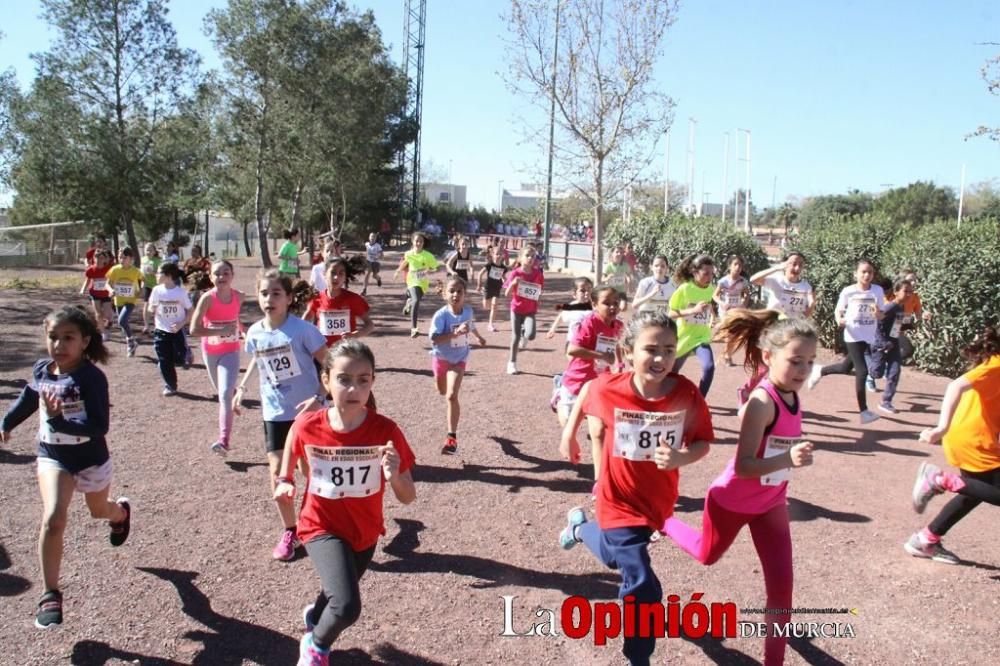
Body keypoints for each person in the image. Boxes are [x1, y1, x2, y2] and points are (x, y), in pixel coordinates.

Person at [557, 310, 713, 666]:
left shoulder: (685, 393)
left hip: (656, 501)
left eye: (669, 350)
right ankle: (638, 657)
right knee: (641, 583)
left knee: (615, 556)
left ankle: (580, 528)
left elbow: (703, 442)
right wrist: (569, 433)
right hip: (617, 498)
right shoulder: (611, 387)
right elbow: (586, 390)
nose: (661, 358)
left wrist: (680, 458)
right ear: (628, 351)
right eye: (651, 349)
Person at [663, 311, 817, 666]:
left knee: (781, 588)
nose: (803, 370)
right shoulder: (762, 403)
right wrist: (787, 461)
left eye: (809, 362)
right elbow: (746, 465)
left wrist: (785, 462)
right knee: (706, 555)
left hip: (771, 503)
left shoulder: (791, 393)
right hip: (731, 500)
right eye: (795, 360)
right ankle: (666, 521)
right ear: (769, 356)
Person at [273, 340, 416, 666]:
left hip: (364, 532)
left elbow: (408, 497)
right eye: (344, 379)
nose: (354, 388)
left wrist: (395, 476)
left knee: (337, 592)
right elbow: (295, 435)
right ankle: (315, 646)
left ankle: (316, 616)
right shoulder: (310, 424)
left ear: (372, 383)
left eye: (363, 380)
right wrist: (284, 479)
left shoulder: (386, 430)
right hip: (320, 524)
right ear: (326, 381)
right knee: (348, 605)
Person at [0, 306, 131, 629]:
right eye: (53, 337)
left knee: (99, 510)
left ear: (85, 341)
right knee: (53, 518)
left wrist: (59, 420)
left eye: (68, 338)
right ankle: (49, 593)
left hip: (90, 458)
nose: (59, 345)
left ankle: (121, 514)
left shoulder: (91, 378)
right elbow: (30, 399)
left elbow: (98, 426)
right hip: (53, 456)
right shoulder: (44, 369)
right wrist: (6, 421)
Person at [234, 269, 329, 561]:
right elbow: (257, 359)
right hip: (275, 412)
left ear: (289, 298)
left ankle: (322, 521)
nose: (269, 299)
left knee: (310, 471)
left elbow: (330, 366)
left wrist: (320, 398)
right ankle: (291, 530)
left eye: (276, 293)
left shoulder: (303, 331)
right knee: (277, 471)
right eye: (264, 293)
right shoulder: (254, 332)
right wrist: (241, 388)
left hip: (309, 412)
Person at [907, 325, 1000, 565]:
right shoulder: (997, 365)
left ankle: (925, 539)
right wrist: (941, 427)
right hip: (973, 439)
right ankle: (939, 479)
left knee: (973, 491)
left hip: (971, 437)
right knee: (989, 490)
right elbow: (955, 385)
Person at [807, 258, 885, 425]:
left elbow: (881, 314)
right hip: (853, 334)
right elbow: (839, 310)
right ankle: (864, 412)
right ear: (855, 274)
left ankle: (820, 371)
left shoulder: (877, 291)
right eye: (863, 272)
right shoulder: (849, 291)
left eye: (870, 272)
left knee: (845, 367)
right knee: (862, 371)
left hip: (868, 334)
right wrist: (839, 320)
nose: (867, 275)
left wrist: (878, 313)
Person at [189, 260, 244, 454]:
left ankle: (223, 441)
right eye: (217, 274)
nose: (221, 277)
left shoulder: (240, 297)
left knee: (224, 394)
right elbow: (194, 329)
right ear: (211, 277)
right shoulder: (207, 298)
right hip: (211, 352)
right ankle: (233, 397)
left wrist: (242, 330)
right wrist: (220, 330)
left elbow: (235, 318)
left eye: (226, 273)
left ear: (232, 275)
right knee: (224, 395)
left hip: (231, 351)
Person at [429, 276, 487, 454]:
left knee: (451, 396)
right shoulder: (441, 315)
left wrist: (478, 336)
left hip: (459, 358)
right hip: (441, 358)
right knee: (442, 391)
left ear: (465, 294)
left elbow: (470, 324)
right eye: (452, 291)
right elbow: (434, 339)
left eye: (459, 291)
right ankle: (442, 385)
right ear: (445, 294)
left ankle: (451, 438)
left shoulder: (468, 311)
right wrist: (454, 334)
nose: (456, 295)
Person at [555, 284, 623, 430]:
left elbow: (617, 344)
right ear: (594, 304)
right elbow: (572, 350)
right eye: (606, 303)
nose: (612, 307)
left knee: (600, 426)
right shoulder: (589, 323)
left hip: (600, 379)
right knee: (569, 423)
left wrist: (620, 365)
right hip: (578, 379)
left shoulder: (618, 325)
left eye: (615, 303)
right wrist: (601, 355)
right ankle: (560, 399)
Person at [669, 254, 717, 397]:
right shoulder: (685, 288)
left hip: (701, 337)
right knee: (671, 373)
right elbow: (671, 313)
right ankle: (667, 399)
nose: (709, 277)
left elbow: (708, 305)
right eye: (705, 273)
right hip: (683, 337)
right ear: (695, 273)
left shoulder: (710, 288)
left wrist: (712, 316)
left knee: (709, 367)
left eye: (712, 273)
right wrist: (692, 310)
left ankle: (700, 399)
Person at [304, 258, 374, 347]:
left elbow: (370, 325)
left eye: (341, 273)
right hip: (322, 352)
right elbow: (304, 321)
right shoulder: (316, 298)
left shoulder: (353, 299)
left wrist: (354, 335)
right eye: (333, 273)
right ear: (324, 274)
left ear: (345, 277)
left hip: (345, 351)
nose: (336, 277)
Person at [146, 263, 193, 396]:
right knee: (164, 359)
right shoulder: (156, 290)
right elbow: (151, 307)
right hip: (161, 330)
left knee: (178, 359)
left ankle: (186, 353)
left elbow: (190, 310)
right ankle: (170, 385)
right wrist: (152, 309)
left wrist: (181, 324)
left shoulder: (180, 293)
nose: (156, 275)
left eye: (159, 273)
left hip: (177, 330)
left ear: (168, 276)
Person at [866, 278, 910, 415]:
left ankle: (886, 401)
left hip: (893, 344)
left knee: (894, 372)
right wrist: (883, 343)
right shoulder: (889, 307)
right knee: (876, 373)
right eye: (905, 291)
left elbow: (897, 327)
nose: (909, 294)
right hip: (881, 344)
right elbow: (877, 324)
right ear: (896, 292)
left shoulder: (902, 307)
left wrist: (910, 325)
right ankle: (865, 357)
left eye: (911, 292)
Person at [503, 244, 545, 375]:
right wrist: (514, 284)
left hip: (530, 310)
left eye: (533, 256)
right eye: (527, 255)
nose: (530, 258)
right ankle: (512, 363)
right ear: (520, 258)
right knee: (514, 338)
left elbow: (539, 290)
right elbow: (507, 294)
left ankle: (524, 333)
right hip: (516, 309)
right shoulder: (515, 273)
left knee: (531, 335)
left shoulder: (538, 273)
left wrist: (537, 295)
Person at [394, 232, 441, 339]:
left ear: (423, 243)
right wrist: (397, 271)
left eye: (420, 241)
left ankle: (409, 303)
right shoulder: (408, 254)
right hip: (411, 281)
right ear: (412, 242)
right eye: (416, 241)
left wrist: (430, 271)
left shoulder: (428, 256)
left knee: (415, 299)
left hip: (423, 283)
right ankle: (414, 328)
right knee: (416, 300)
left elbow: (438, 268)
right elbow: (405, 262)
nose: (418, 243)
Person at [749, 252, 815, 319]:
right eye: (794, 264)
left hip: (792, 327)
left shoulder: (806, 287)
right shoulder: (776, 280)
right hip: (773, 324)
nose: (797, 268)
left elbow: (809, 309)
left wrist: (811, 306)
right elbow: (753, 280)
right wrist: (776, 268)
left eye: (800, 265)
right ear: (785, 264)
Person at [105, 247, 144, 358]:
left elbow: (142, 280)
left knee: (122, 320)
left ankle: (130, 342)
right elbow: (107, 284)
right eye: (119, 257)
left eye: (124, 257)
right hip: (119, 300)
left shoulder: (135, 271)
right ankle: (132, 342)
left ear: (131, 258)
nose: (121, 259)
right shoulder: (115, 270)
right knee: (122, 323)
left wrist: (140, 290)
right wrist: (111, 290)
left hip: (130, 300)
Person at [714, 255, 750, 366]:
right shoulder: (723, 281)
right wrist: (722, 303)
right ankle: (727, 356)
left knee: (736, 335)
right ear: (730, 266)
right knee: (730, 334)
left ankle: (726, 354)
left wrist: (743, 305)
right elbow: (715, 295)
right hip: (725, 311)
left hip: (737, 310)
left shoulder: (743, 281)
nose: (738, 267)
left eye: (740, 265)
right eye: (735, 264)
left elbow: (747, 295)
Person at [81, 249, 114, 339]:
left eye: (102, 258)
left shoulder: (109, 268)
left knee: (107, 313)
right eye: (97, 258)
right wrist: (83, 289)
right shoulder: (91, 269)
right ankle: (103, 332)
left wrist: (112, 289)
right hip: (94, 293)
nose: (99, 260)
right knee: (98, 314)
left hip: (106, 294)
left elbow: (114, 279)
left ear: (105, 259)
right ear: (94, 259)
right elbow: (87, 280)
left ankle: (110, 318)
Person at [475, 245, 508, 332]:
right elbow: (480, 274)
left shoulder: (503, 267)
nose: (498, 256)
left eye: (500, 254)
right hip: (488, 287)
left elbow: (503, 277)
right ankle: (484, 296)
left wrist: (506, 283)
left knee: (494, 306)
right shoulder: (489, 265)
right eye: (496, 254)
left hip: (497, 288)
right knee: (486, 306)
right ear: (492, 255)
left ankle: (490, 324)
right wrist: (479, 285)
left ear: (503, 256)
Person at [139, 243, 161, 335]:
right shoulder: (143, 259)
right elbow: (141, 271)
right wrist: (141, 282)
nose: (148, 251)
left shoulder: (158, 261)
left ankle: (157, 326)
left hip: (156, 286)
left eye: (150, 250)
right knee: (146, 305)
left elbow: (160, 273)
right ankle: (146, 325)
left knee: (156, 307)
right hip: (147, 285)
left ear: (154, 251)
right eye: (147, 249)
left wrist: (154, 272)